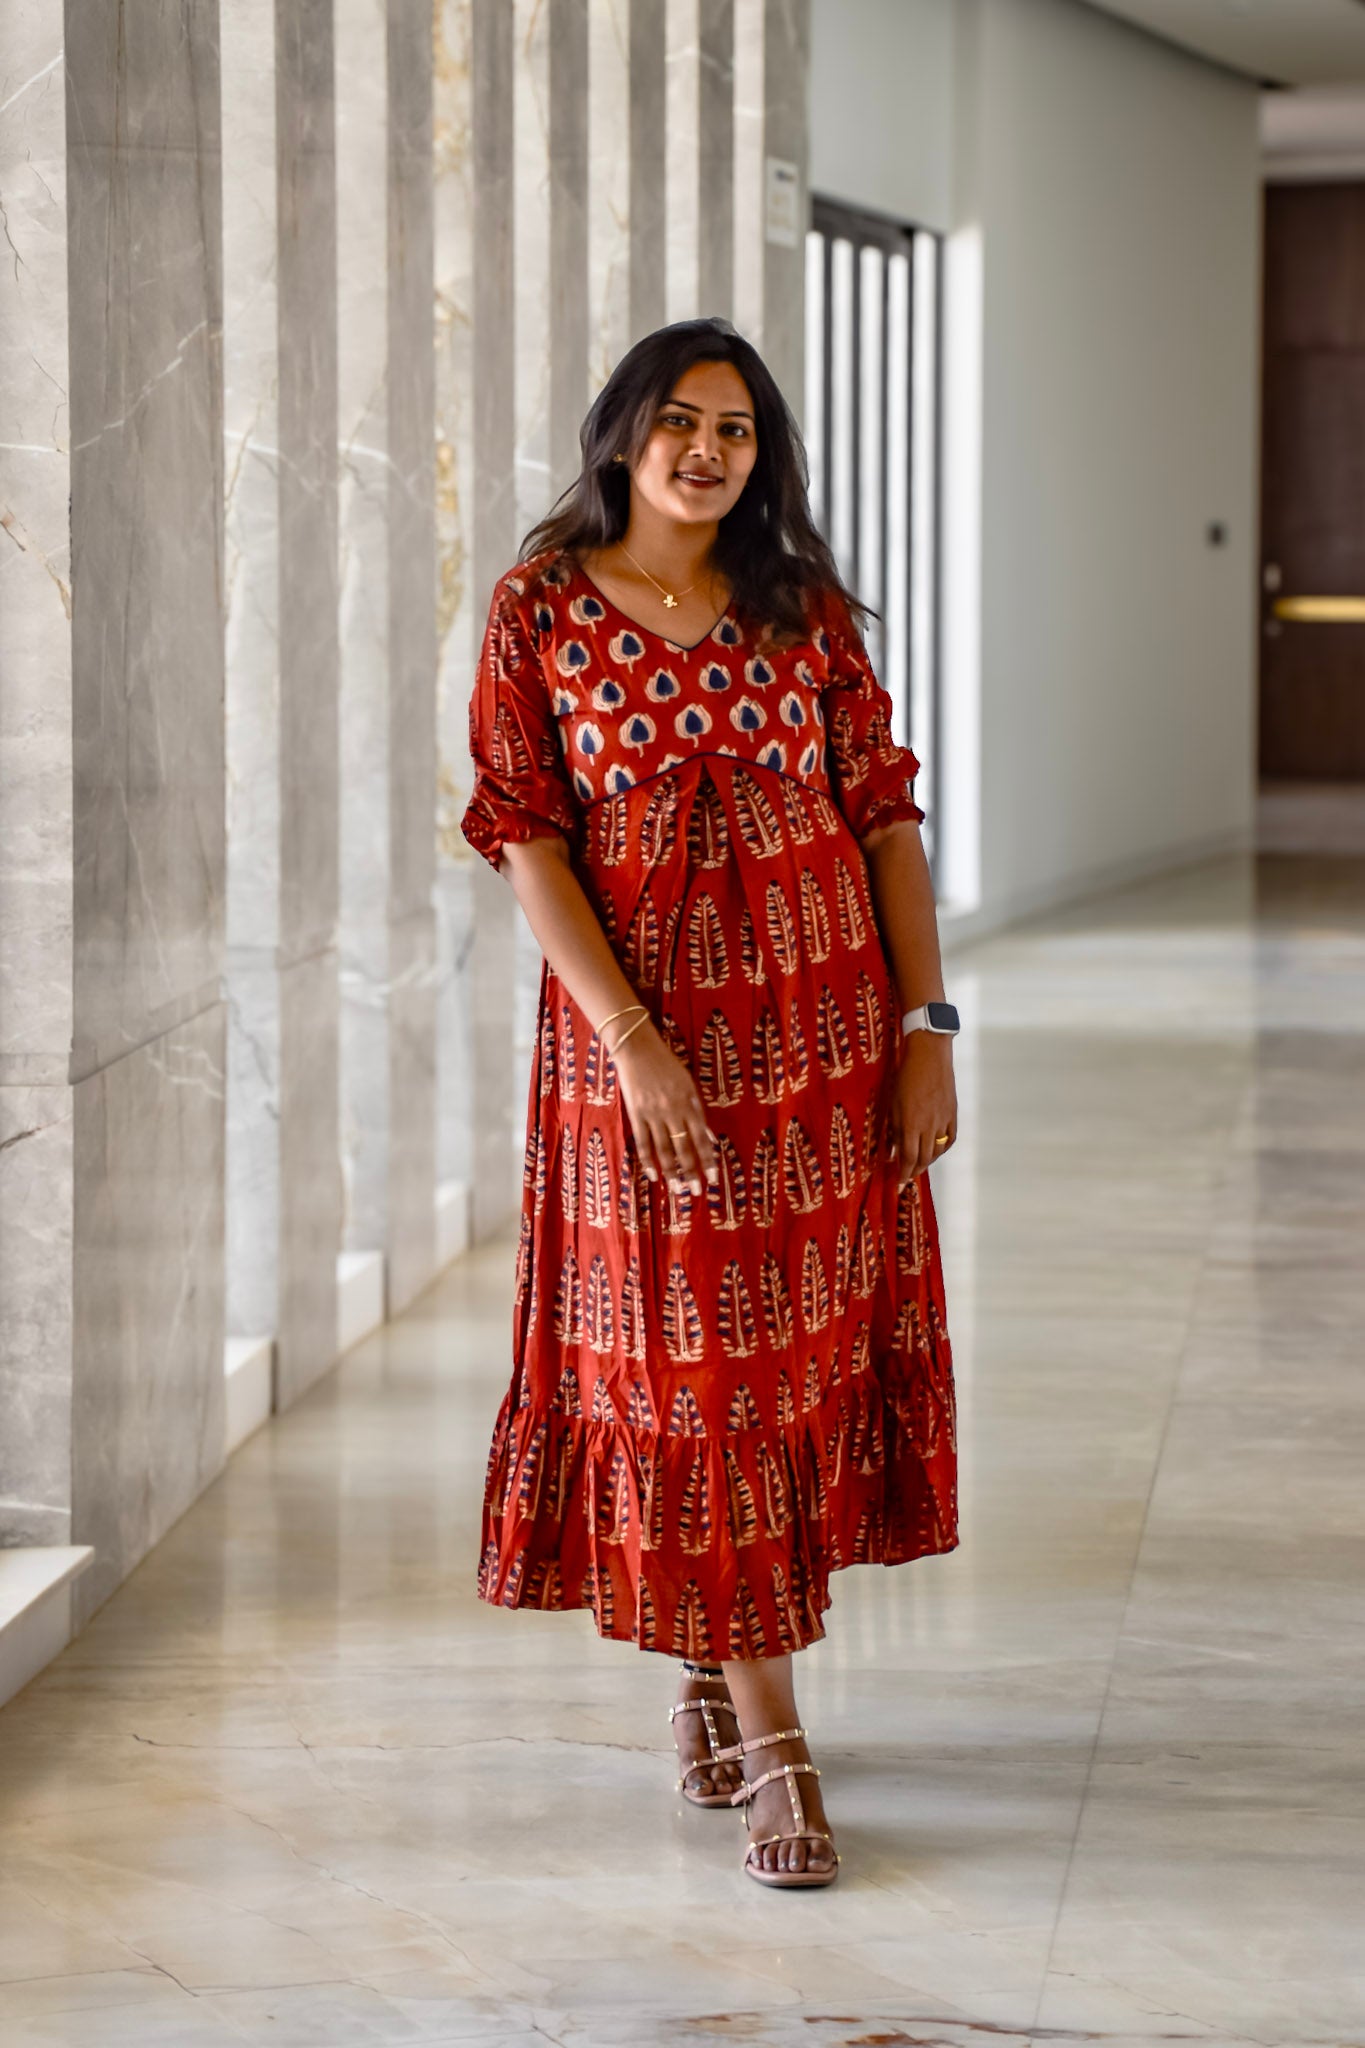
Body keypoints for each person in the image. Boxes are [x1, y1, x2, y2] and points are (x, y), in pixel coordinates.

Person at [461, 317, 959, 1891]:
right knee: (690, 1368)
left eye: (735, 431)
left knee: (776, 1365)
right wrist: (628, 1038)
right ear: (621, 434)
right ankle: (778, 1742)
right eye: (678, 421)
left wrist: (925, 1024)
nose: (705, 451)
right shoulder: (538, 609)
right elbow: (526, 839)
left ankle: (715, 1682)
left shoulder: (797, 609)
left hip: (818, 1056)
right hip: (642, 1060)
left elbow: (881, 817)